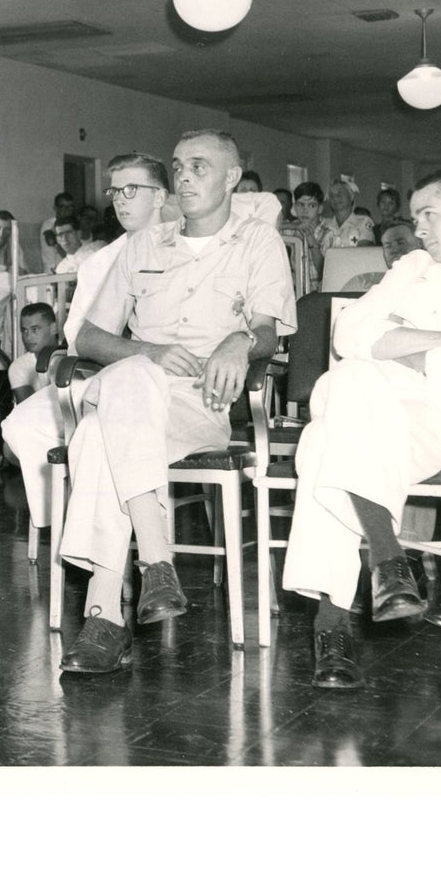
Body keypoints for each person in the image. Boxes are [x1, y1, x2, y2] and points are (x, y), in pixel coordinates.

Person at [57, 129, 296, 674]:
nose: (184, 176)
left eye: (199, 166)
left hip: (201, 403)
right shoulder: (143, 245)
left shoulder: (259, 241)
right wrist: (150, 351)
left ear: (232, 177)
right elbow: (90, 338)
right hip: (136, 388)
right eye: (177, 166)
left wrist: (239, 340)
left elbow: (266, 330)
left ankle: (105, 612)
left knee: (95, 433)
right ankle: (153, 565)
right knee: (132, 376)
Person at [282, 167, 441, 689]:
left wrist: (400, 337)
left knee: (327, 432)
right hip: (391, 414)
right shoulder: (414, 267)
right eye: (415, 215)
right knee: (344, 390)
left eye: (429, 214)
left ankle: (338, 615)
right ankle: (386, 568)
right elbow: (348, 334)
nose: (417, 228)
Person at [0, 156, 171, 549]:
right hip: (103, 372)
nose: (121, 201)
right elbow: (78, 337)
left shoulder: (181, 249)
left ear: (161, 196)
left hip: (165, 379)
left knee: (106, 432)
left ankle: (123, 536)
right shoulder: (100, 262)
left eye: (133, 190)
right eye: (115, 192)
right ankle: (70, 527)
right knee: (21, 426)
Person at [7, 302, 60, 403]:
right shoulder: (18, 367)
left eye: (34, 329)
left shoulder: (70, 357)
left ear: (53, 328)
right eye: (24, 330)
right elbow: (30, 410)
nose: (28, 337)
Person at [323, 176, 376, 249]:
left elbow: (363, 251)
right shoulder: (325, 226)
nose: (336, 198)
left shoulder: (363, 222)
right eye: (331, 195)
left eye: (340, 193)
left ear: (351, 196)